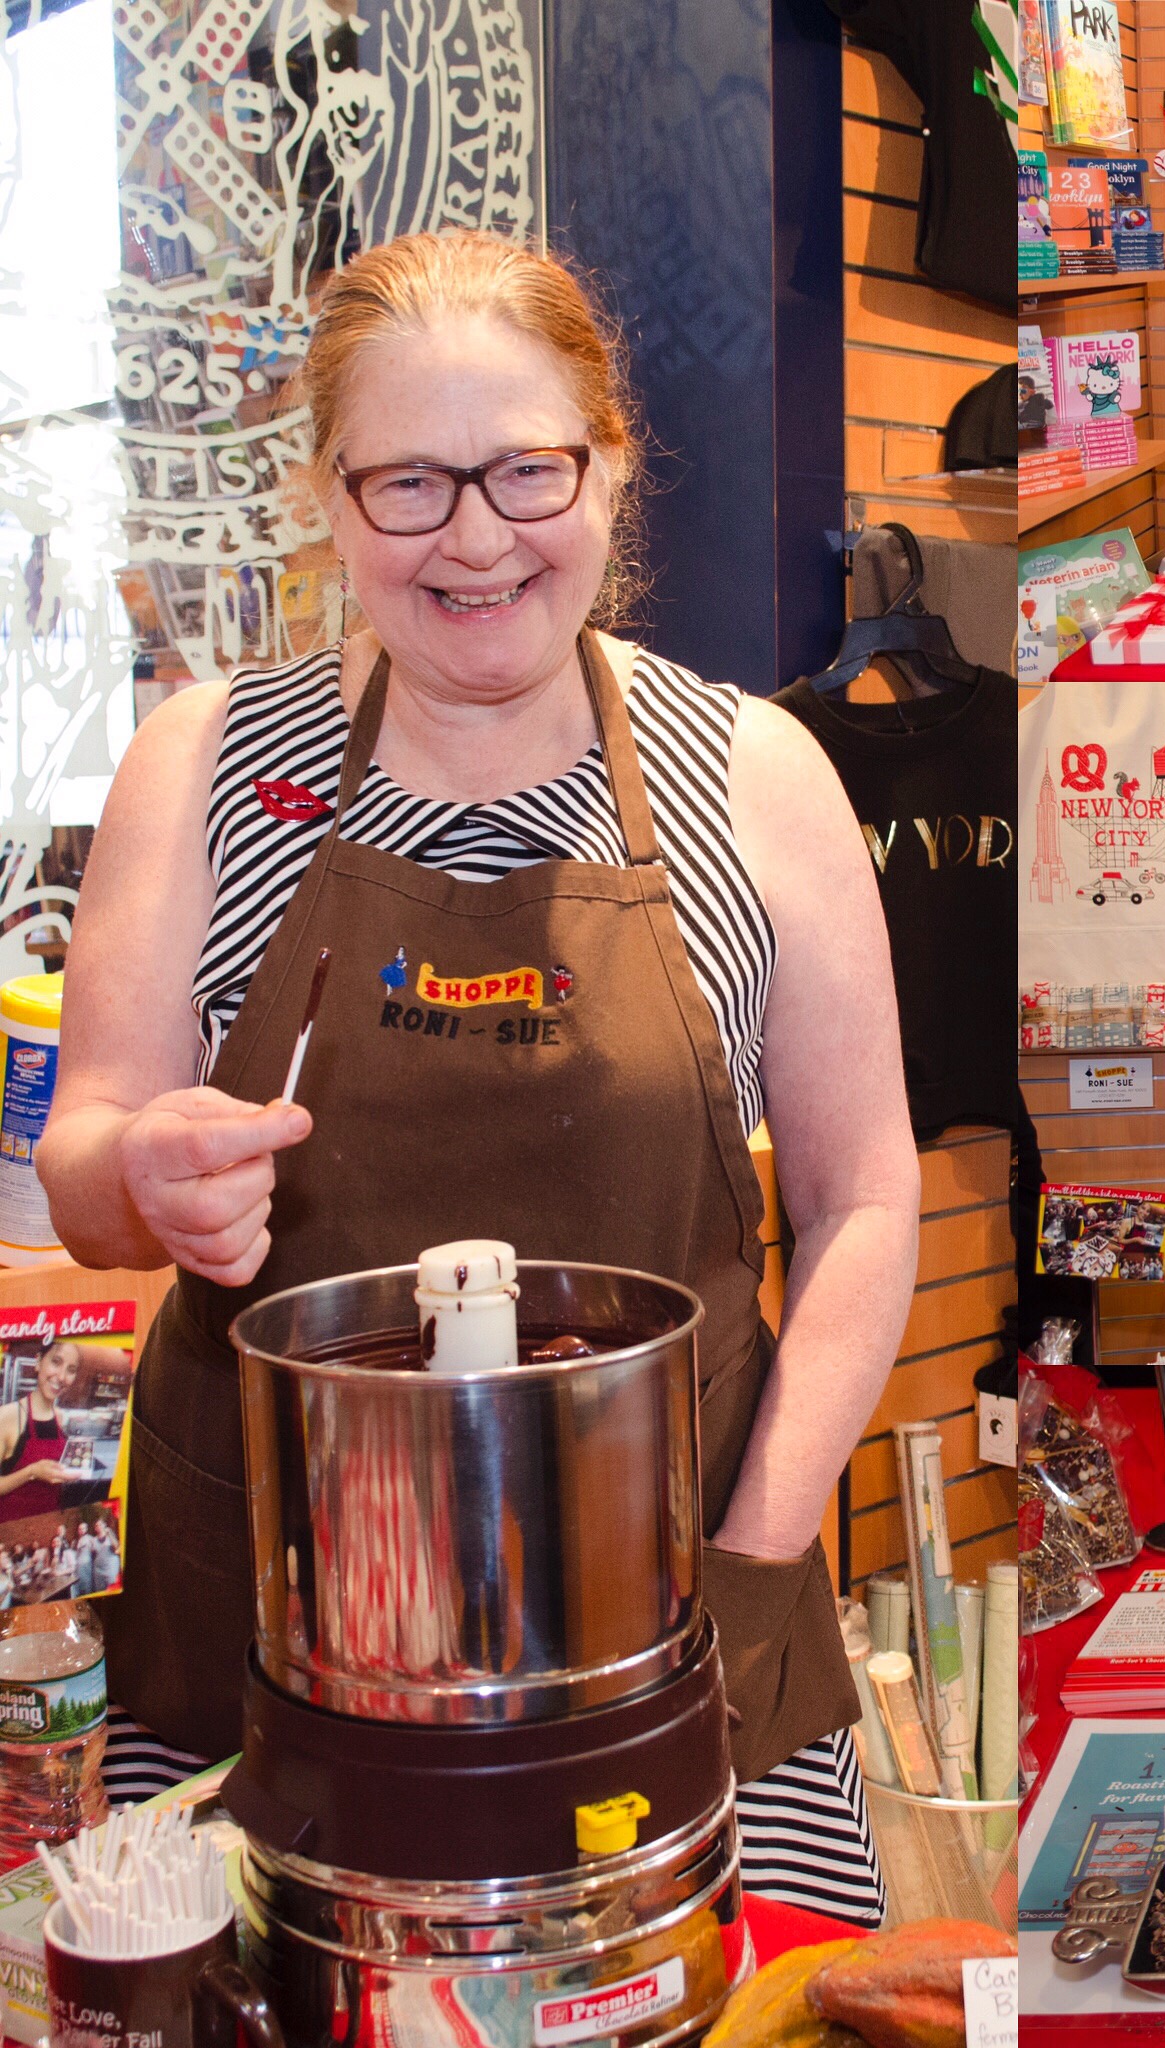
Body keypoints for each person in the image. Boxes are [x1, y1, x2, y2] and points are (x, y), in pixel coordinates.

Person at [39, 231, 921, 1921]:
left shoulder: (759, 777)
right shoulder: (205, 766)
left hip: (682, 1601)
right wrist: (143, 1163)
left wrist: (756, 1549)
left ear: (609, 461)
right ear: (330, 495)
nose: (475, 537)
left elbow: (865, 1194)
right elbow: (87, 1162)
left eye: (526, 469)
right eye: (409, 484)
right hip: (279, 1625)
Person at [0, 1343, 79, 1517]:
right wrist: (32, 1472)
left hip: (49, 1522)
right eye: (56, 1362)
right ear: (38, 1363)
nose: (62, 1376)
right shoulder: (7, 1416)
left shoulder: (59, 1417)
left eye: (71, 1370)